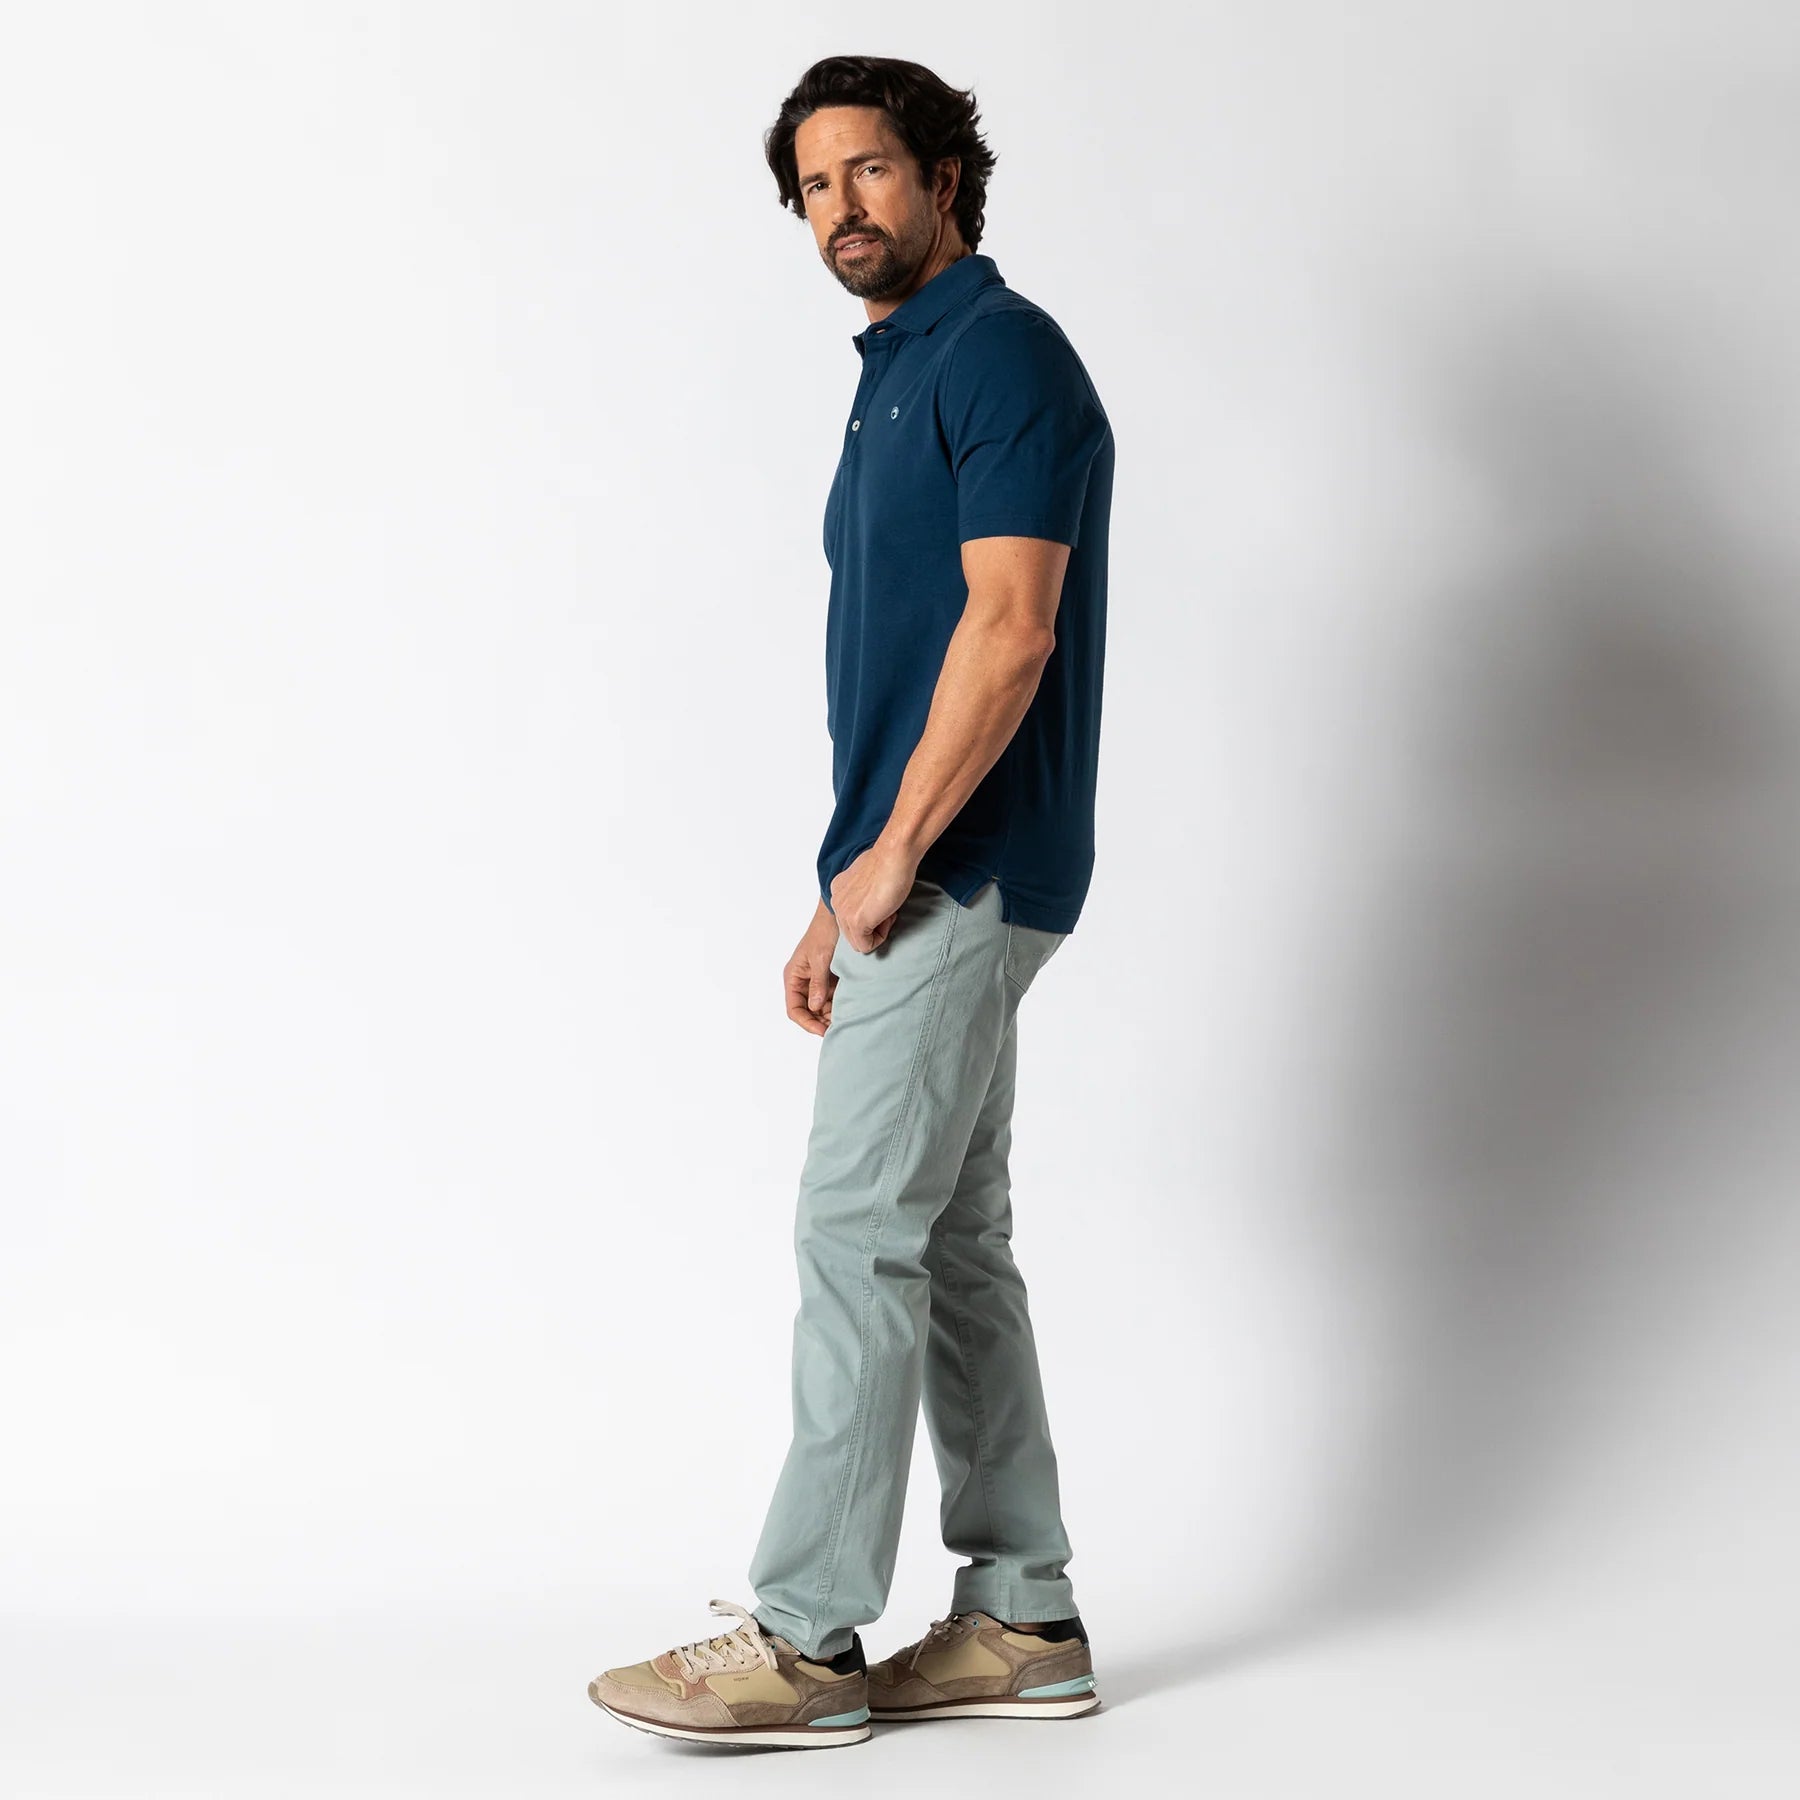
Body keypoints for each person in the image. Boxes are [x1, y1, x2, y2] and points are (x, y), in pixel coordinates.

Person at [589, 54, 1115, 1748]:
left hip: (965, 865)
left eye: (870, 170)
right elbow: (913, 670)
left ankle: (807, 1640)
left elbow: (1011, 632)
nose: (841, 209)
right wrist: (842, 888)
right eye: (814, 186)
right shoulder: (900, 375)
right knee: (951, 1241)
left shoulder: (1002, 354)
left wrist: (897, 864)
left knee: (855, 1231)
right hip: (924, 865)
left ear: (944, 176)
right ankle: (1022, 1616)